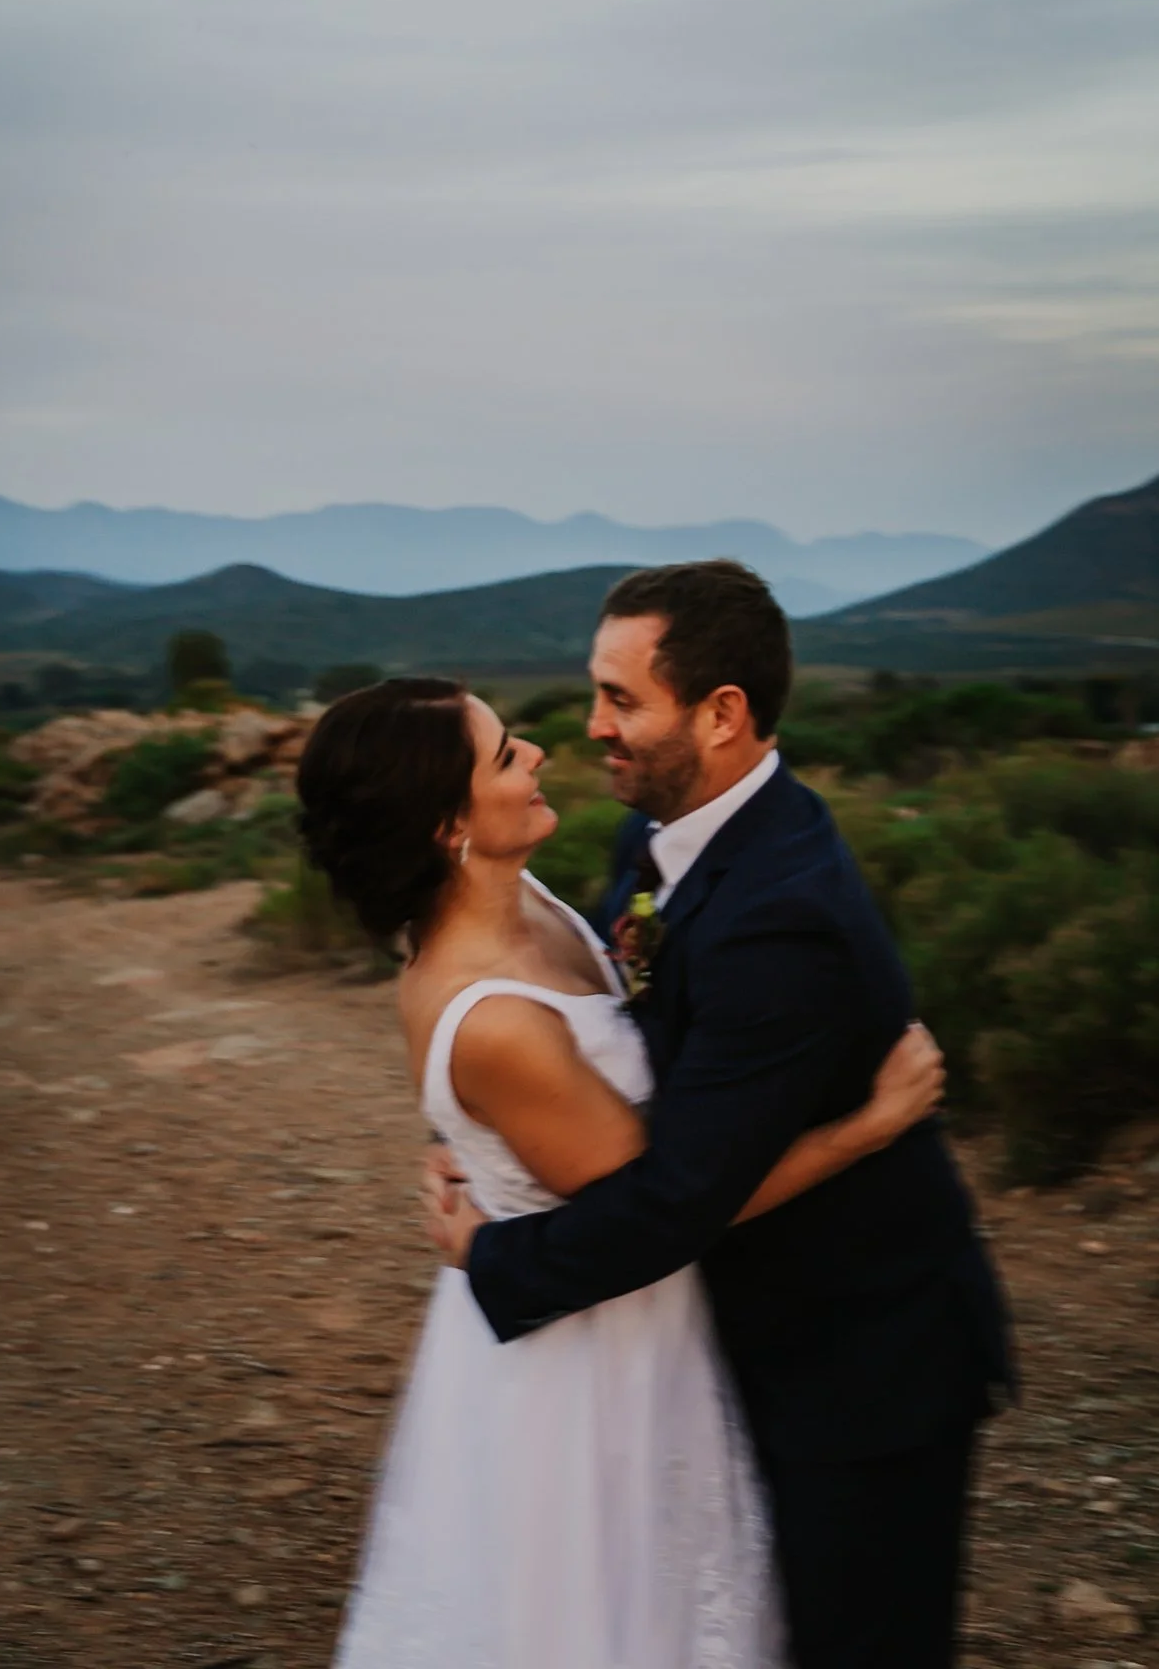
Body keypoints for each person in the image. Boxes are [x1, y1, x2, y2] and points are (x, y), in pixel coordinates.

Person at [425, 562, 1015, 1669]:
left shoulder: (780, 914)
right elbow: (602, 1027)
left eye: (622, 698)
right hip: (731, 1340)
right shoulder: (658, 833)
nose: (593, 725)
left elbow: (682, 1194)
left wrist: (499, 1254)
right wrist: (489, 1128)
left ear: (724, 713)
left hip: (860, 1364)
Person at [297, 669, 949, 1669]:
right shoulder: (495, 1015)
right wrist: (865, 1126)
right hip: (593, 1358)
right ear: (445, 825)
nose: (540, 754)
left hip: (625, 1308)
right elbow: (676, 1205)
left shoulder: (534, 904)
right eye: (506, 753)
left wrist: (479, 1153)